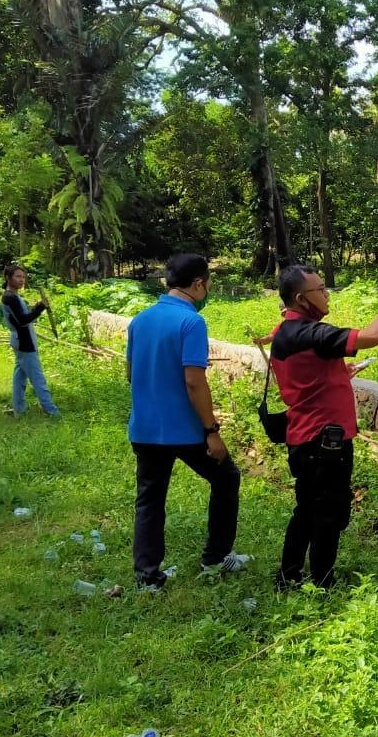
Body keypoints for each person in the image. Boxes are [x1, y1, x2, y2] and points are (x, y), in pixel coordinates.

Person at [268, 265, 378, 589]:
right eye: (320, 289)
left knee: (306, 509)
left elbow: (307, 378)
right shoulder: (313, 334)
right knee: (329, 515)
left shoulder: (285, 333)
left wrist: (339, 373)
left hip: (304, 436)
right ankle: (322, 583)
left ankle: (289, 576)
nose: (326, 294)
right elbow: (371, 337)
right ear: (302, 299)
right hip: (324, 441)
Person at [126, 253, 248, 591]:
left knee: (150, 499)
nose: (208, 289)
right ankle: (216, 556)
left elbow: (130, 374)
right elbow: (194, 381)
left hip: (145, 428)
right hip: (183, 430)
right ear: (198, 284)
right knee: (226, 478)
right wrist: (211, 431)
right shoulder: (191, 322)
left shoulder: (140, 320)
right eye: (208, 283)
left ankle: (147, 578)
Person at [0, 264, 61, 418]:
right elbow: (22, 320)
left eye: (23, 277)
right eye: (18, 277)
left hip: (23, 342)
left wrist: (37, 307)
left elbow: (23, 315)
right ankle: (52, 412)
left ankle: (19, 409)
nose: (22, 280)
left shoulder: (14, 296)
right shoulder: (9, 297)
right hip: (24, 343)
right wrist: (39, 308)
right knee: (38, 379)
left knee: (19, 378)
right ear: (8, 278)